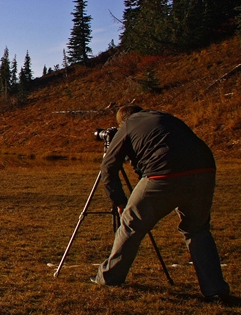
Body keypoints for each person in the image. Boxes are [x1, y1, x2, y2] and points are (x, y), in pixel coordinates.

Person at [92, 105, 230, 300]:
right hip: (204, 170)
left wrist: (120, 202)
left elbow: (108, 167)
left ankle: (109, 277)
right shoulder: (164, 118)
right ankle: (214, 289)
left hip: (162, 173)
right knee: (198, 229)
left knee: (131, 224)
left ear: (122, 121)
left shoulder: (129, 124)